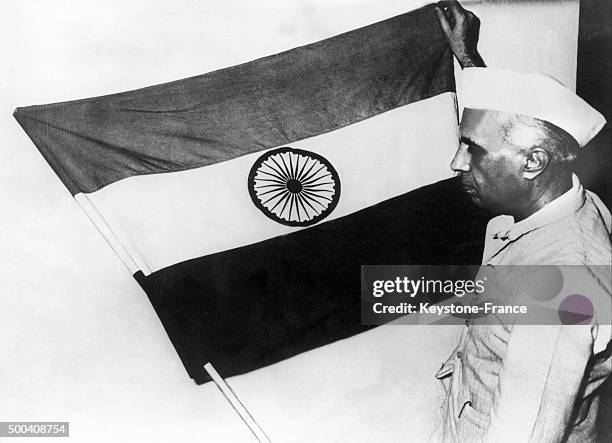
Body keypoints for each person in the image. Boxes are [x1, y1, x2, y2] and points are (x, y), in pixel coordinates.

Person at [433, 1, 612, 441]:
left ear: (533, 162)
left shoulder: (558, 288)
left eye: (471, 149)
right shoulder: (564, 198)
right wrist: (468, 58)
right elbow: (512, 123)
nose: (456, 163)